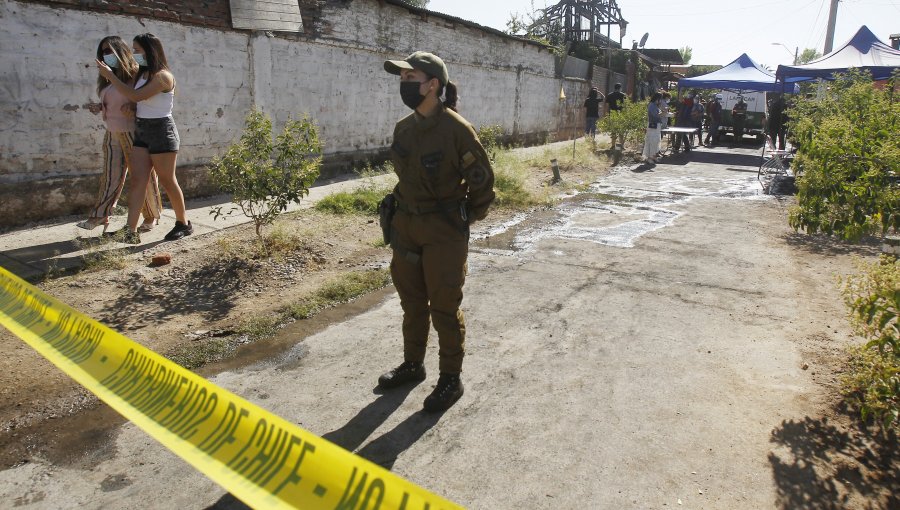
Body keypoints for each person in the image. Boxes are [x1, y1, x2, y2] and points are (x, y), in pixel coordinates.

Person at [378, 51, 495, 413]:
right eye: (402, 78)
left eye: (411, 78)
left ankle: (450, 378)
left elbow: (483, 187)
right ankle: (413, 365)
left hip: (443, 231)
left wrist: (459, 221)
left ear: (433, 85)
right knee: (412, 303)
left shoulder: (456, 130)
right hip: (406, 226)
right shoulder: (404, 127)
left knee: (443, 306)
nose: (404, 84)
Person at [97, 33, 191, 244]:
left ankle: (183, 223)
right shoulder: (142, 75)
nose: (135, 54)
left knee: (167, 180)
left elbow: (138, 95)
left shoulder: (163, 76)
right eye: (134, 50)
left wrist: (111, 76)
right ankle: (130, 231)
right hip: (142, 130)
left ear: (151, 51)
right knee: (138, 179)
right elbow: (140, 100)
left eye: (138, 50)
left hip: (161, 131)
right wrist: (133, 107)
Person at [78, 36, 161, 234]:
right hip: (112, 132)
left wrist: (133, 106)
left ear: (120, 51)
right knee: (110, 175)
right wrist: (100, 106)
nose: (106, 55)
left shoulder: (135, 75)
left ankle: (151, 215)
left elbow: (147, 99)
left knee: (142, 177)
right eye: (103, 52)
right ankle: (100, 215)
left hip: (133, 132)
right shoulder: (108, 78)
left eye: (109, 51)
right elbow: (114, 100)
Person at [642, 92, 663, 164]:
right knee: (652, 141)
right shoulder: (651, 105)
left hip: (656, 125)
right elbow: (655, 115)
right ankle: (649, 157)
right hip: (652, 125)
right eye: (660, 99)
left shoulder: (655, 105)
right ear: (657, 99)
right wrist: (663, 112)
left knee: (656, 141)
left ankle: (654, 156)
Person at [605, 83, 626, 148]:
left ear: (614, 88)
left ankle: (613, 145)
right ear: (620, 88)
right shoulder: (623, 95)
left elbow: (607, 106)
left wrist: (607, 114)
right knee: (621, 131)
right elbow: (625, 106)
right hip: (620, 114)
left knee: (613, 130)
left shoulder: (609, 95)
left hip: (612, 114)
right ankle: (620, 146)